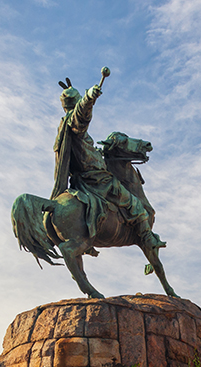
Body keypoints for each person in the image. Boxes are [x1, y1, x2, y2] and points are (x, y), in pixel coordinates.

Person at [50, 79, 163, 249]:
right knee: (136, 205)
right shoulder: (74, 122)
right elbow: (81, 114)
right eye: (79, 100)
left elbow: (83, 152)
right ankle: (147, 238)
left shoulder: (63, 127)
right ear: (76, 104)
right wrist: (89, 98)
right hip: (98, 181)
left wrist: (96, 153)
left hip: (83, 180)